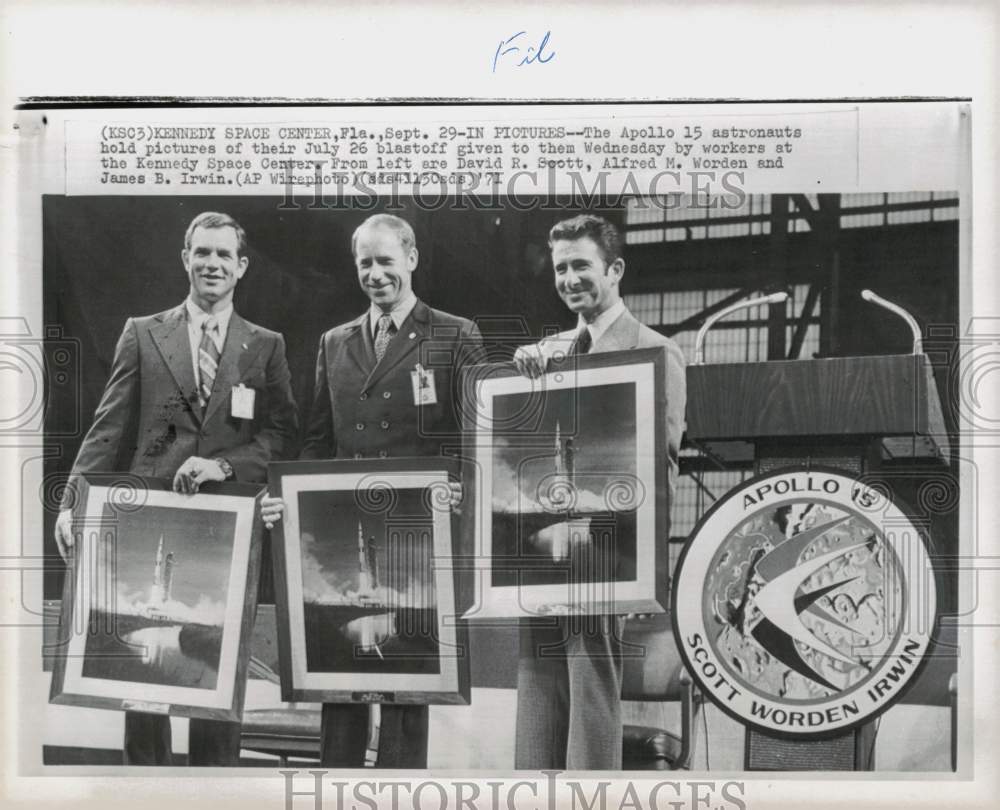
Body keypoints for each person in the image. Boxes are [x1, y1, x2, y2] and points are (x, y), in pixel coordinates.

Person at [55, 211, 299, 766]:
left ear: (241, 266)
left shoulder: (265, 346)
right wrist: (72, 502)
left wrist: (223, 467)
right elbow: (108, 427)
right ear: (185, 259)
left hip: (229, 534)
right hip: (153, 523)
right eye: (202, 252)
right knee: (146, 690)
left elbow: (282, 434)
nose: (212, 264)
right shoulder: (143, 333)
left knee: (216, 687)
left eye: (223, 255)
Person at [261, 213, 483, 768]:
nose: (376, 274)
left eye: (386, 260)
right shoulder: (334, 342)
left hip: (416, 541)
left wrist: (457, 485)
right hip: (345, 538)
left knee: (409, 688)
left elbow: (479, 437)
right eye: (366, 263)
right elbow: (316, 442)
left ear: (411, 258)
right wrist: (289, 500)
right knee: (340, 683)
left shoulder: (456, 334)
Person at [512, 213, 686, 770]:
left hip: (608, 556)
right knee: (537, 683)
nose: (568, 279)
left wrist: (641, 574)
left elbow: (662, 473)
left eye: (581, 265)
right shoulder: (549, 352)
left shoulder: (657, 351)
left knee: (590, 690)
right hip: (544, 553)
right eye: (560, 268)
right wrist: (523, 377)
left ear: (614, 270)